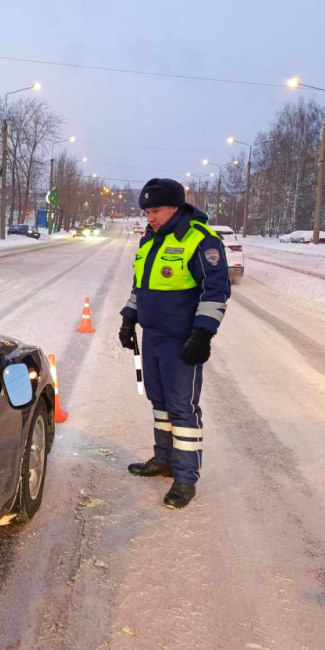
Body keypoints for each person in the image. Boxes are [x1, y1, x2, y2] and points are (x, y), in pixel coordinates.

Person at [118, 178, 230, 510]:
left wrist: (202, 334)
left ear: (175, 208)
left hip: (181, 341)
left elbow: (216, 292)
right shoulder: (150, 240)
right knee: (160, 403)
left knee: (182, 408)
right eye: (147, 211)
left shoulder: (200, 241)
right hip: (151, 338)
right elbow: (140, 285)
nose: (149, 217)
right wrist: (129, 318)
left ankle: (185, 478)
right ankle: (163, 460)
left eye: (155, 211)